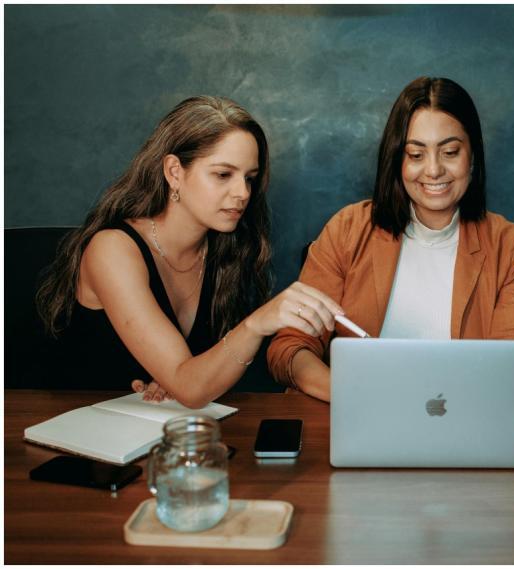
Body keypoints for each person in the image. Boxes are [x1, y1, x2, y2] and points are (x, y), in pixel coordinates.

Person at [267, 77, 514, 461]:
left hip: (464, 439)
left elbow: (512, 369)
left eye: (450, 151)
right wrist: (349, 390)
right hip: (359, 432)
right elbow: (288, 349)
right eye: (416, 153)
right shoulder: (347, 229)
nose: (434, 170)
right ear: (397, 160)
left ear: (472, 156)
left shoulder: (510, 246)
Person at [37, 96, 342, 408]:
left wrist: (177, 379)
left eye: (249, 178)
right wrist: (257, 322)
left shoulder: (225, 250)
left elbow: (192, 380)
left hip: (160, 429)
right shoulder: (112, 249)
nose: (242, 193)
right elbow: (191, 387)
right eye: (223, 174)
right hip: (76, 429)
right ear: (174, 172)